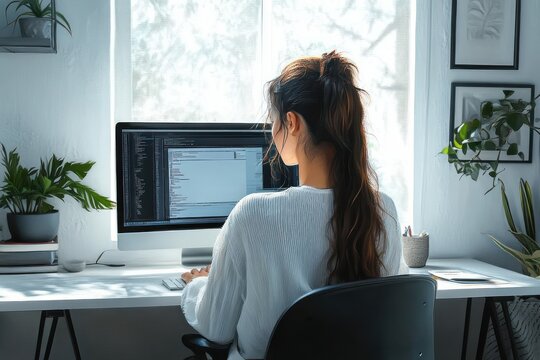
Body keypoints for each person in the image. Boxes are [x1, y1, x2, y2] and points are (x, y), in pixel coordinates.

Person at [180, 51, 403, 360]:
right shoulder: (384, 212)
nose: (272, 132)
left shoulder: (252, 214)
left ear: (293, 122)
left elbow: (216, 328)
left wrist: (197, 287)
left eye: (274, 121)